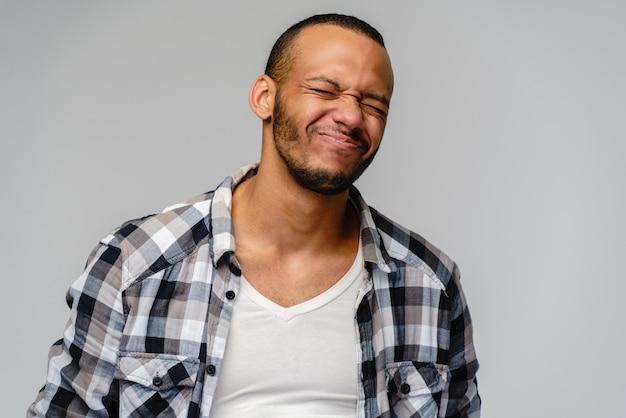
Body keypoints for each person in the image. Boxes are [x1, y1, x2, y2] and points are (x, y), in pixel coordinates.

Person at [28, 13, 480, 418]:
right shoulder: (134, 263)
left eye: (374, 104)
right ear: (265, 97)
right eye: (325, 89)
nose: (350, 115)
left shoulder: (429, 283)